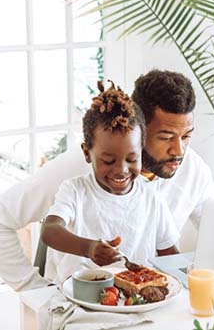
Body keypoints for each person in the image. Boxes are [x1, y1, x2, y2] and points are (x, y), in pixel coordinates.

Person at [0, 69, 214, 291]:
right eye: (166, 137)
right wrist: (36, 291)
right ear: (139, 128)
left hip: (141, 302)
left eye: (186, 136)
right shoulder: (75, 171)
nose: (179, 150)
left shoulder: (191, 169)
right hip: (76, 298)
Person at [41, 81, 179, 283]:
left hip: (135, 301)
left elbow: (170, 253)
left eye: (132, 159)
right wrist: (88, 248)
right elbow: (49, 231)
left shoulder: (151, 196)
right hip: (79, 297)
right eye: (108, 161)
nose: (122, 169)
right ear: (87, 153)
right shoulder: (75, 191)